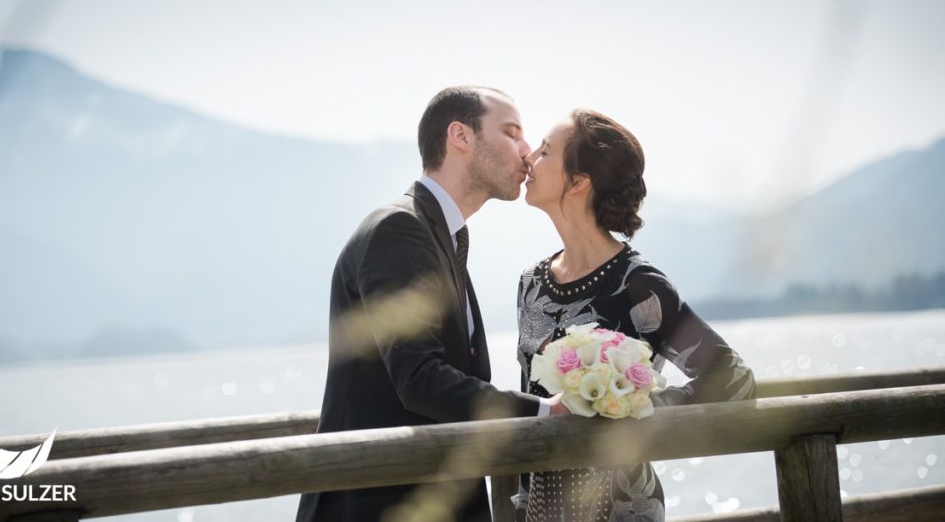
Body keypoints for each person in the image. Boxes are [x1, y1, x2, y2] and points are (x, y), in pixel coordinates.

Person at [297, 86, 568, 522]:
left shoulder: (444, 235)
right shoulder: (399, 229)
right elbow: (418, 378)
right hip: (375, 503)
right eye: (512, 133)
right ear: (460, 136)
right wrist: (543, 410)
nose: (527, 151)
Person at [515, 109, 757, 522]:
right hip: (543, 512)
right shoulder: (531, 283)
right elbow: (533, 397)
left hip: (623, 509)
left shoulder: (639, 285)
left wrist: (631, 406)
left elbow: (734, 381)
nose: (528, 159)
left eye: (545, 151)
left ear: (578, 182)